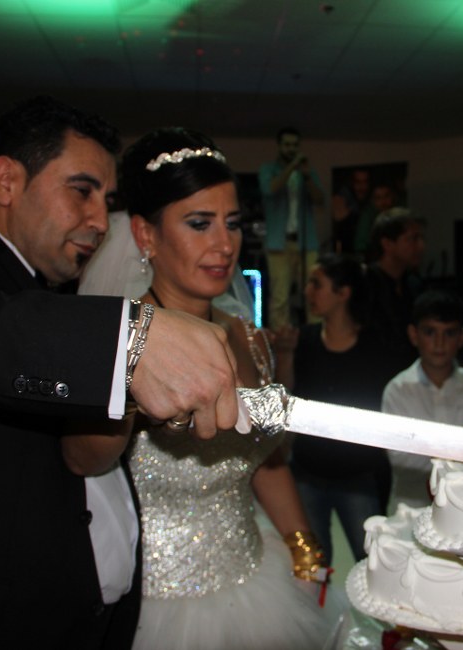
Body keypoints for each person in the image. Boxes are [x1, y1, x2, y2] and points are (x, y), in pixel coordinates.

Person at [0, 97, 242, 649]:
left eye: (106, 199)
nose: (100, 221)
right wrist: (132, 341)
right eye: (81, 190)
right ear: (5, 181)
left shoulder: (47, 289)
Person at [79, 127, 332, 650]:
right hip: (155, 606)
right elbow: (81, 459)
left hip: (256, 582)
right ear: (146, 235)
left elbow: (267, 458)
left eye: (232, 224)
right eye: (199, 224)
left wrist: (305, 549)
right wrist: (126, 370)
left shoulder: (248, 338)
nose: (225, 245)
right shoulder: (118, 342)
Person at [275, 253, 399, 565]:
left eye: (317, 284)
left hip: (358, 473)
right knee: (313, 564)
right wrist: (286, 354)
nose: (308, 291)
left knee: (373, 561)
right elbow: (287, 395)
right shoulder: (306, 339)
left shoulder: (374, 345)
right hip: (308, 471)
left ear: (343, 293)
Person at [382, 289, 463, 511]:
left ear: (462, 337)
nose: (439, 342)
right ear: (414, 335)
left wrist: (424, 445)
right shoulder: (397, 390)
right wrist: (460, 449)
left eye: (449, 333)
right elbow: (400, 459)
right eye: (430, 332)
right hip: (409, 509)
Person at [258, 126, 325, 329]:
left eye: (295, 145)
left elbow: (320, 199)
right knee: (280, 295)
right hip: (279, 243)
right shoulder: (268, 170)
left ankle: (315, 334)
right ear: (279, 146)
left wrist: (306, 175)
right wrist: (292, 167)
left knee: (314, 290)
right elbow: (269, 189)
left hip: (306, 242)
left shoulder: (307, 173)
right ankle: (280, 338)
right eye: (287, 145)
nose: (291, 149)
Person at [364, 207, 426, 376]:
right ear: (387, 244)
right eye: (412, 239)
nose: (421, 246)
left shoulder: (413, 284)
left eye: (421, 238)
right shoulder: (366, 285)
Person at [332, 167, 374, 256]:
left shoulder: (374, 200)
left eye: (365, 182)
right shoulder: (344, 196)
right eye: (358, 182)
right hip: (349, 255)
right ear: (352, 183)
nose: (362, 187)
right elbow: (339, 216)